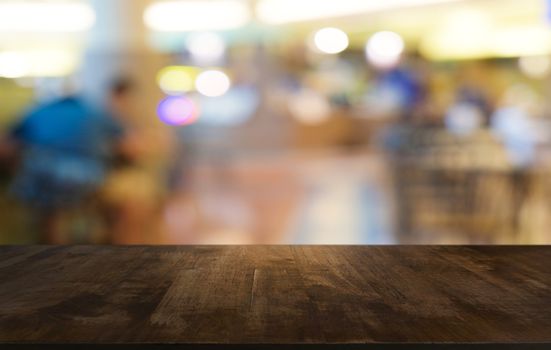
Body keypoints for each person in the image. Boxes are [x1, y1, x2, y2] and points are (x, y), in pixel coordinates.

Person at [7, 82, 125, 243]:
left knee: (49, 210)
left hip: (42, 175)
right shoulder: (94, 112)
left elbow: (10, 142)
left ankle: (51, 245)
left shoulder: (37, 111)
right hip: (86, 176)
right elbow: (125, 141)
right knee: (93, 204)